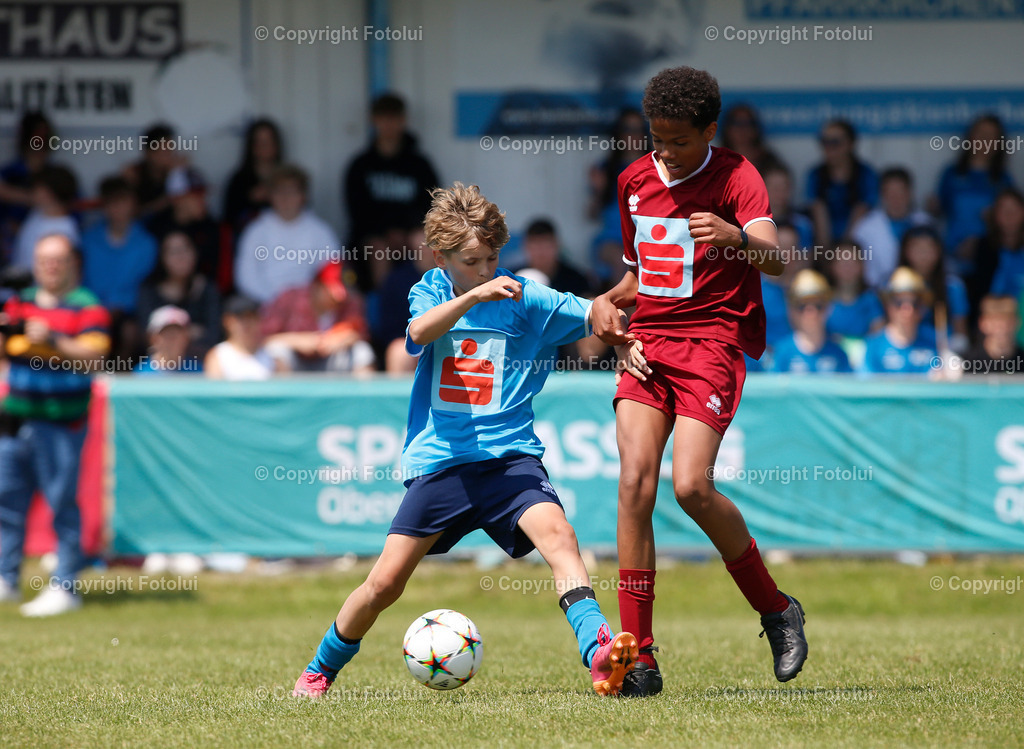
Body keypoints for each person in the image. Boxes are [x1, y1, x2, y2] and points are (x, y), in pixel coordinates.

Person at [292, 183, 639, 699]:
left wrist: (622, 333)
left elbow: (594, 312)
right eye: (473, 261)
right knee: (384, 584)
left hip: (510, 463)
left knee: (561, 538)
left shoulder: (526, 298)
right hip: (443, 463)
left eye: (493, 258)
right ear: (442, 257)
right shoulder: (431, 290)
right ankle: (320, 669)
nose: (486, 269)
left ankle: (600, 654)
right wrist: (473, 296)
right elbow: (419, 332)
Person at [590, 66, 808, 698]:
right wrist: (604, 306)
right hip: (647, 345)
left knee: (690, 487)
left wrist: (738, 237)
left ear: (709, 131)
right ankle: (639, 656)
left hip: (712, 343)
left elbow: (778, 260)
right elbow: (641, 279)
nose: (664, 150)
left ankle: (776, 609)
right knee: (634, 483)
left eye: (678, 140)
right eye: (655, 137)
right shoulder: (634, 180)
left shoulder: (738, 176)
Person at [0, 234, 110, 615]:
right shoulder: (18, 301)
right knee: (6, 502)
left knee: (62, 503)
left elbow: (96, 357)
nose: (50, 266)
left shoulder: (88, 307)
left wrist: (54, 339)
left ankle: (65, 585)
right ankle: (6, 579)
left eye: (58, 259)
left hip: (61, 422)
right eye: (43, 259)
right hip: (15, 418)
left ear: (72, 263)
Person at [343, 93, 440, 291]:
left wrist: (406, 230)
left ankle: (431, 305)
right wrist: (386, 231)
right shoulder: (360, 165)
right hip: (374, 237)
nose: (389, 124)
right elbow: (357, 211)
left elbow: (432, 205)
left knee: (424, 241)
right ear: (374, 120)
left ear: (403, 121)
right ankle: (383, 310)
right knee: (379, 249)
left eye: (394, 118)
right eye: (383, 118)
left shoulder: (420, 165)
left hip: (411, 232)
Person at [234, 165, 340, 305]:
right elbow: (245, 277)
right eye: (280, 191)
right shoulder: (256, 230)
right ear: (270, 195)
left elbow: (331, 272)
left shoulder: (320, 231)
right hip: (264, 304)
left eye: (292, 191)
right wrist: (275, 299)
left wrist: (306, 299)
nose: (286, 197)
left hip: (309, 305)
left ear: (303, 196)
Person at [80, 176, 158, 359]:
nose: (118, 208)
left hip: (130, 313)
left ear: (133, 204)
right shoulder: (89, 239)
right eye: (112, 202)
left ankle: (120, 381)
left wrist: (119, 305)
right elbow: (83, 280)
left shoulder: (146, 243)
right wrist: (99, 306)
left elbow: (146, 284)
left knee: (129, 332)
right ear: (104, 206)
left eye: (123, 201)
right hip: (92, 308)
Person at [261, 262, 375, 374]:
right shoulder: (290, 298)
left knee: (362, 351)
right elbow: (264, 339)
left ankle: (365, 393)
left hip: (332, 362)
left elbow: (362, 333)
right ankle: (282, 393)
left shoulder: (351, 303)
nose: (337, 301)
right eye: (331, 294)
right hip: (295, 363)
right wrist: (297, 341)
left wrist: (343, 339)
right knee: (277, 350)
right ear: (317, 285)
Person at [935, 114, 1015, 269]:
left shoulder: (1003, 180)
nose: (985, 139)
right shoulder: (952, 174)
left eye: (991, 136)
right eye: (981, 133)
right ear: (970, 137)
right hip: (954, 258)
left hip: (990, 259)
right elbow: (941, 212)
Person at [136, 231, 222, 357]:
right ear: (162, 257)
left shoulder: (208, 288)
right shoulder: (148, 290)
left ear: (195, 253)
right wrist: (190, 332)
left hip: (201, 364)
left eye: (185, 249)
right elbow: (147, 335)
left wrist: (173, 334)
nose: (181, 256)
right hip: (159, 365)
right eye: (173, 251)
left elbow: (215, 335)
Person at [851, 167, 933, 288]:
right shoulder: (865, 228)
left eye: (900, 192)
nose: (896, 198)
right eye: (890, 192)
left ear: (910, 193)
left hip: (921, 290)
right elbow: (858, 268)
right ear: (882, 195)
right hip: (878, 292)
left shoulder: (925, 223)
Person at [806, 119, 878, 247]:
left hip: (858, 244)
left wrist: (844, 251)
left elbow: (861, 212)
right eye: (824, 142)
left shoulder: (865, 174)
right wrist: (826, 252)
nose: (828, 147)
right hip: (825, 244)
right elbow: (818, 213)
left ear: (850, 144)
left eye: (835, 142)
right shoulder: (816, 174)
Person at [896, 227, 969, 353]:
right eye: (917, 248)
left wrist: (953, 354)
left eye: (928, 248)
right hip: (905, 352)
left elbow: (960, 332)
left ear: (939, 252)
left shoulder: (953, 286)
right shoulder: (894, 286)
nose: (923, 254)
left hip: (943, 352)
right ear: (906, 251)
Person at [769, 270, 852, 374]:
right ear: (791, 310)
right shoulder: (782, 353)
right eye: (802, 306)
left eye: (818, 306)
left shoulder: (839, 355)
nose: (811, 313)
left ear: (829, 308)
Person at [0, 112, 57, 261]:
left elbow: (71, 216)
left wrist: (27, 230)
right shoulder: (9, 174)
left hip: (48, 251)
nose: (39, 144)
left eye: (44, 138)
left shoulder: (58, 177)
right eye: (35, 138)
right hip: (8, 255)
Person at [862, 267, 938, 374]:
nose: (907, 309)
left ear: (923, 307)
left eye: (915, 303)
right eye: (899, 302)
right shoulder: (874, 346)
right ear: (888, 305)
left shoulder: (936, 342)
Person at [970, 188, 1024, 330]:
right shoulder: (984, 248)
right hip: (994, 321)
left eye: (1014, 209)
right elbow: (980, 292)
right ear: (994, 214)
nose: (1009, 214)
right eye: (1003, 209)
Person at [222, 118, 284, 235]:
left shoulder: (288, 179)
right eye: (259, 142)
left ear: (277, 145)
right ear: (251, 146)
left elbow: (302, 214)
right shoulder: (238, 180)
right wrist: (250, 198)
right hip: (250, 241)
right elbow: (229, 220)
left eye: (268, 141)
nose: (264, 147)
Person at [11, 165, 79, 272]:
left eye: (38, 188)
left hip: (37, 288)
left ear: (49, 193)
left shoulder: (65, 229)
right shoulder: (37, 212)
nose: (33, 191)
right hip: (18, 284)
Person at [204, 296, 289, 380]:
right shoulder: (218, 355)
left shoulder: (273, 355)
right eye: (241, 318)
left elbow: (283, 389)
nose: (247, 324)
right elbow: (216, 391)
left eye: (251, 317)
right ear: (227, 321)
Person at [514, 219, 593, 297]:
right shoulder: (514, 277)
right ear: (525, 247)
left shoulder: (577, 280)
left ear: (557, 245)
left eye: (546, 246)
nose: (541, 252)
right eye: (535, 246)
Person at [824, 242, 885, 340]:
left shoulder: (871, 301)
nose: (848, 267)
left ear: (862, 266)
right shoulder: (823, 300)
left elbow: (878, 336)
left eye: (853, 261)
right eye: (842, 262)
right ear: (832, 266)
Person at [960, 295, 1024, 375]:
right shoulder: (965, 364)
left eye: (1006, 322)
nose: (1001, 328)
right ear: (982, 324)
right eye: (994, 323)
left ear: (1016, 322)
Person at [719, 103, 783, 177]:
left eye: (747, 123)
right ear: (727, 128)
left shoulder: (768, 161)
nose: (742, 129)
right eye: (737, 123)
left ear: (755, 128)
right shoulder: (717, 160)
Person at [135, 305, 201, 375]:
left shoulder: (200, 372)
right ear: (153, 339)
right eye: (166, 334)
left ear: (186, 338)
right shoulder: (140, 375)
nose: (172, 340)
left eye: (176, 334)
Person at [762, 163, 814, 252]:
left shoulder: (802, 224)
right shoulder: (752, 224)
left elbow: (806, 259)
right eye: (776, 188)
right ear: (762, 189)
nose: (781, 193)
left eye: (785, 188)